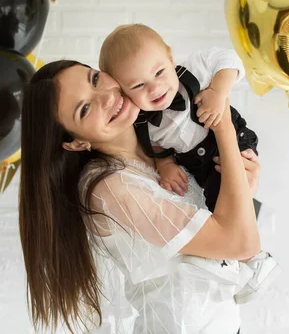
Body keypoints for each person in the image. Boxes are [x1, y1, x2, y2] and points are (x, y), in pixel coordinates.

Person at [19, 60, 261, 333]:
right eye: (85, 109)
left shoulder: (165, 142)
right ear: (76, 142)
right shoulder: (110, 188)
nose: (108, 97)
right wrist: (224, 124)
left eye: (96, 79)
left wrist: (240, 180)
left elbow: (228, 234)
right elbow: (241, 242)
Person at [98, 24, 279, 303]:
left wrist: (218, 92)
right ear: (124, 93)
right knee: (215, 205)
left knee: (226, 197)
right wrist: (166, 165)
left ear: (171, 58)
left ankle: (255, 260)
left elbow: (229, 61)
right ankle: (236, 261)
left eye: (159, 72)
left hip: (230, 142)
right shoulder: (143, 123)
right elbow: (157, 147)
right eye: (138, 85)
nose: (155, 87)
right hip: (201, 165)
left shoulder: (193, 70)